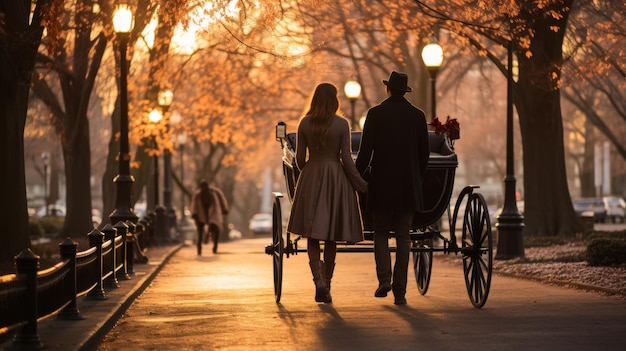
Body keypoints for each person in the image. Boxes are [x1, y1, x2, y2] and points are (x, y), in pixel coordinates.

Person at [287, 83, 368, 303]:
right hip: (335, 177)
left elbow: (300, 159)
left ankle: (318, 282)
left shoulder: (305, 123)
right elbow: (347, 159)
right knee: (331, 234)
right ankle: (328, 284)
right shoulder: (342, 124)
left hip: (312, 175)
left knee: (312, 234)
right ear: (334, 99)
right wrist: (360, 183)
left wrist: (310, 171)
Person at [355, 71, 430, 305]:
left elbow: (365, 152)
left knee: (380, 231)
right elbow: (424, 154)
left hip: (382, 182)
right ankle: (400, 291)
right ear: (404, 91)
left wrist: (357, 178)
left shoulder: (375, 114)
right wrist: (417, 178)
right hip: (408, 184)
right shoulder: (417, 116)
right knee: (403, 235)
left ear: (388, 89)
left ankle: (384, 279)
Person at [190, 180, 229, 255]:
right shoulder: (200, 194)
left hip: (210, 214)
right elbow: (194, 205)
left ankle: (206, 245)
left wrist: (194, 213)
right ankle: (208, 245)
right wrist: (224, 209)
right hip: (204, 214)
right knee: (206, 230)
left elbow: (194, 205)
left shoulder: (212, 193)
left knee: (203, 231)